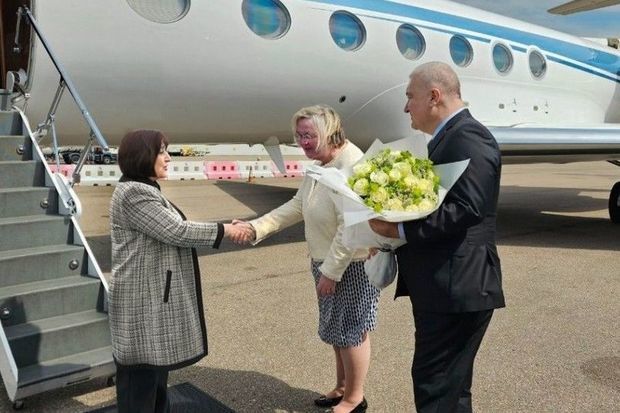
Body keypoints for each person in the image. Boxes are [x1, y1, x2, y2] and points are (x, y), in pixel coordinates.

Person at [369, 62, 505, 412]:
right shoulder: (449, 137)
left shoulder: (467, 137)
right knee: (451, 390)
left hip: (456, 289)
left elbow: (468, 209)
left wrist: (398, 229)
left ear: (434, 96)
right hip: (447, 287)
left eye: (409, 97)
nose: (406, 107)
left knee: (435, 387)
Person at [234, 105, 377, 413]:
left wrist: (331, 272)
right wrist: (255, 227)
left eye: (309, 135)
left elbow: (351, 227)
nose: (303, 142)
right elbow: (298, 205)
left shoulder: (352, 164)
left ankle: (355, 398)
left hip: (351, 264)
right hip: (326, 261)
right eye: (299, 135)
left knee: (352, 331)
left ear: (330, 132)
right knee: (337, 328)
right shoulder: (321, 164)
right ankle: (342, 387)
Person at [108, 129, 252, 413]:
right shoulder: (134, 192)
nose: (168, 158)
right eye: (161, 151)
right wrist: (226, 230)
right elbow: (176, 231)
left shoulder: (143, 187)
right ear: (143, 155)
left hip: (149, 299)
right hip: (141, 301)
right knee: (140, 383)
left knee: (154, 376)